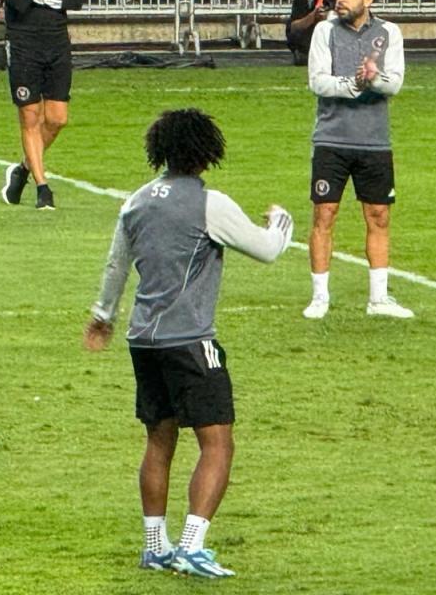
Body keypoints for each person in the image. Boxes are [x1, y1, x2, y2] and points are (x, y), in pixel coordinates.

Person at [83, 108, 293, 579]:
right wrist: (282, 221)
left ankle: (155, 546)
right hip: (191, 341)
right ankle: (193, 546)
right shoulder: (209, 204)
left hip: (143, 341)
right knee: (218, 444)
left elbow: (116, 265)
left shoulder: (137, 200)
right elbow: (267, 250)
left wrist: (103, 316)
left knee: (159, 440)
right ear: (205, 151)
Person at [305, 0, 412, 321]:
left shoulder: (389, 32)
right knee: (324, 214)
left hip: (374, 141)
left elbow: (394, 83)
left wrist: (374, 78)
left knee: (378, 216)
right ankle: (320, 297)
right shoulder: (324, 31)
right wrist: (354, 84)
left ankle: (378, 299)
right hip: (331, 139)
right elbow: (318, 82)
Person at [0, 0, 82, 212]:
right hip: (24, 43)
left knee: (58, 119)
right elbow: (18, 2)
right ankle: (43, 187)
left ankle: (23, 168)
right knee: (30, 116)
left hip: (57, 41)